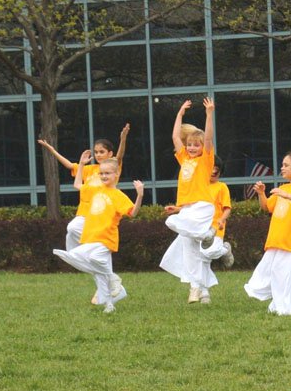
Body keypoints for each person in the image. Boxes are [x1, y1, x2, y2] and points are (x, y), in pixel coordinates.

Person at [38, 124, 130, 304]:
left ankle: (108, 287)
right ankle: (108, 283)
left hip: (100, 220)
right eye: (96, 152)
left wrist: (123, 138)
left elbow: (120, 156)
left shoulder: (110, 171)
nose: (98, 155)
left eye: (102, 152)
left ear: (110, 155)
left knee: (85, 242)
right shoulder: (89, 170)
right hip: (85, 217)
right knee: (74, 231)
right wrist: (50, 148)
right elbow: (68, 166)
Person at [53, 151, 144, 313]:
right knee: (98, 275)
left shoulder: (118, 196)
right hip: (90, 236)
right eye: (101, 173)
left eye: (107, 173)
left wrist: (140, 195)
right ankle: (109, 304)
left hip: (106, 238)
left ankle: (112, 278)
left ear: (116, 175)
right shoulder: (95, 190)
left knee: (84, 257)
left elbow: (133, 213)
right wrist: (81, 165)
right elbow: (77, 185)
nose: (103, 176)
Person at [244, 151, 291, 315]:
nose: (282, 168)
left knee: (282, 274)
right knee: (273, 273)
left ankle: (285, 307)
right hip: (276, 240)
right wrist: (261, 193)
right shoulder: (282, 187)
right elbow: (266, 207)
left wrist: (287, 195)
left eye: (286, 165)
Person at [160, 98, 217, 304]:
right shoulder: (184, 158)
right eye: (190, 144)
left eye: (196, 145)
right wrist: (180, 114)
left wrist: (209, 114)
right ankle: (199, 289)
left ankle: (206, 233)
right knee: (190, 252)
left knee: (171, 223)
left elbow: (209, 138)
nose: (192, 148)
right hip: (187, 209)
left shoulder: (205, 160)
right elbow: (175, 136)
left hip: (202, 207)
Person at [162, 156, 234, 304]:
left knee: (209, 253)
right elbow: (190, 207)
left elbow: (227, 208)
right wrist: (176, 209)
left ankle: (225, 250)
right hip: (197, 228)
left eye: (217, 171)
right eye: (211, 170)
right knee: (200, 259)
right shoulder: (198, 187)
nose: (213, 173)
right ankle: (204, 292)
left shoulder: (222, 187)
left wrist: (221, 220)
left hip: (214, 230)